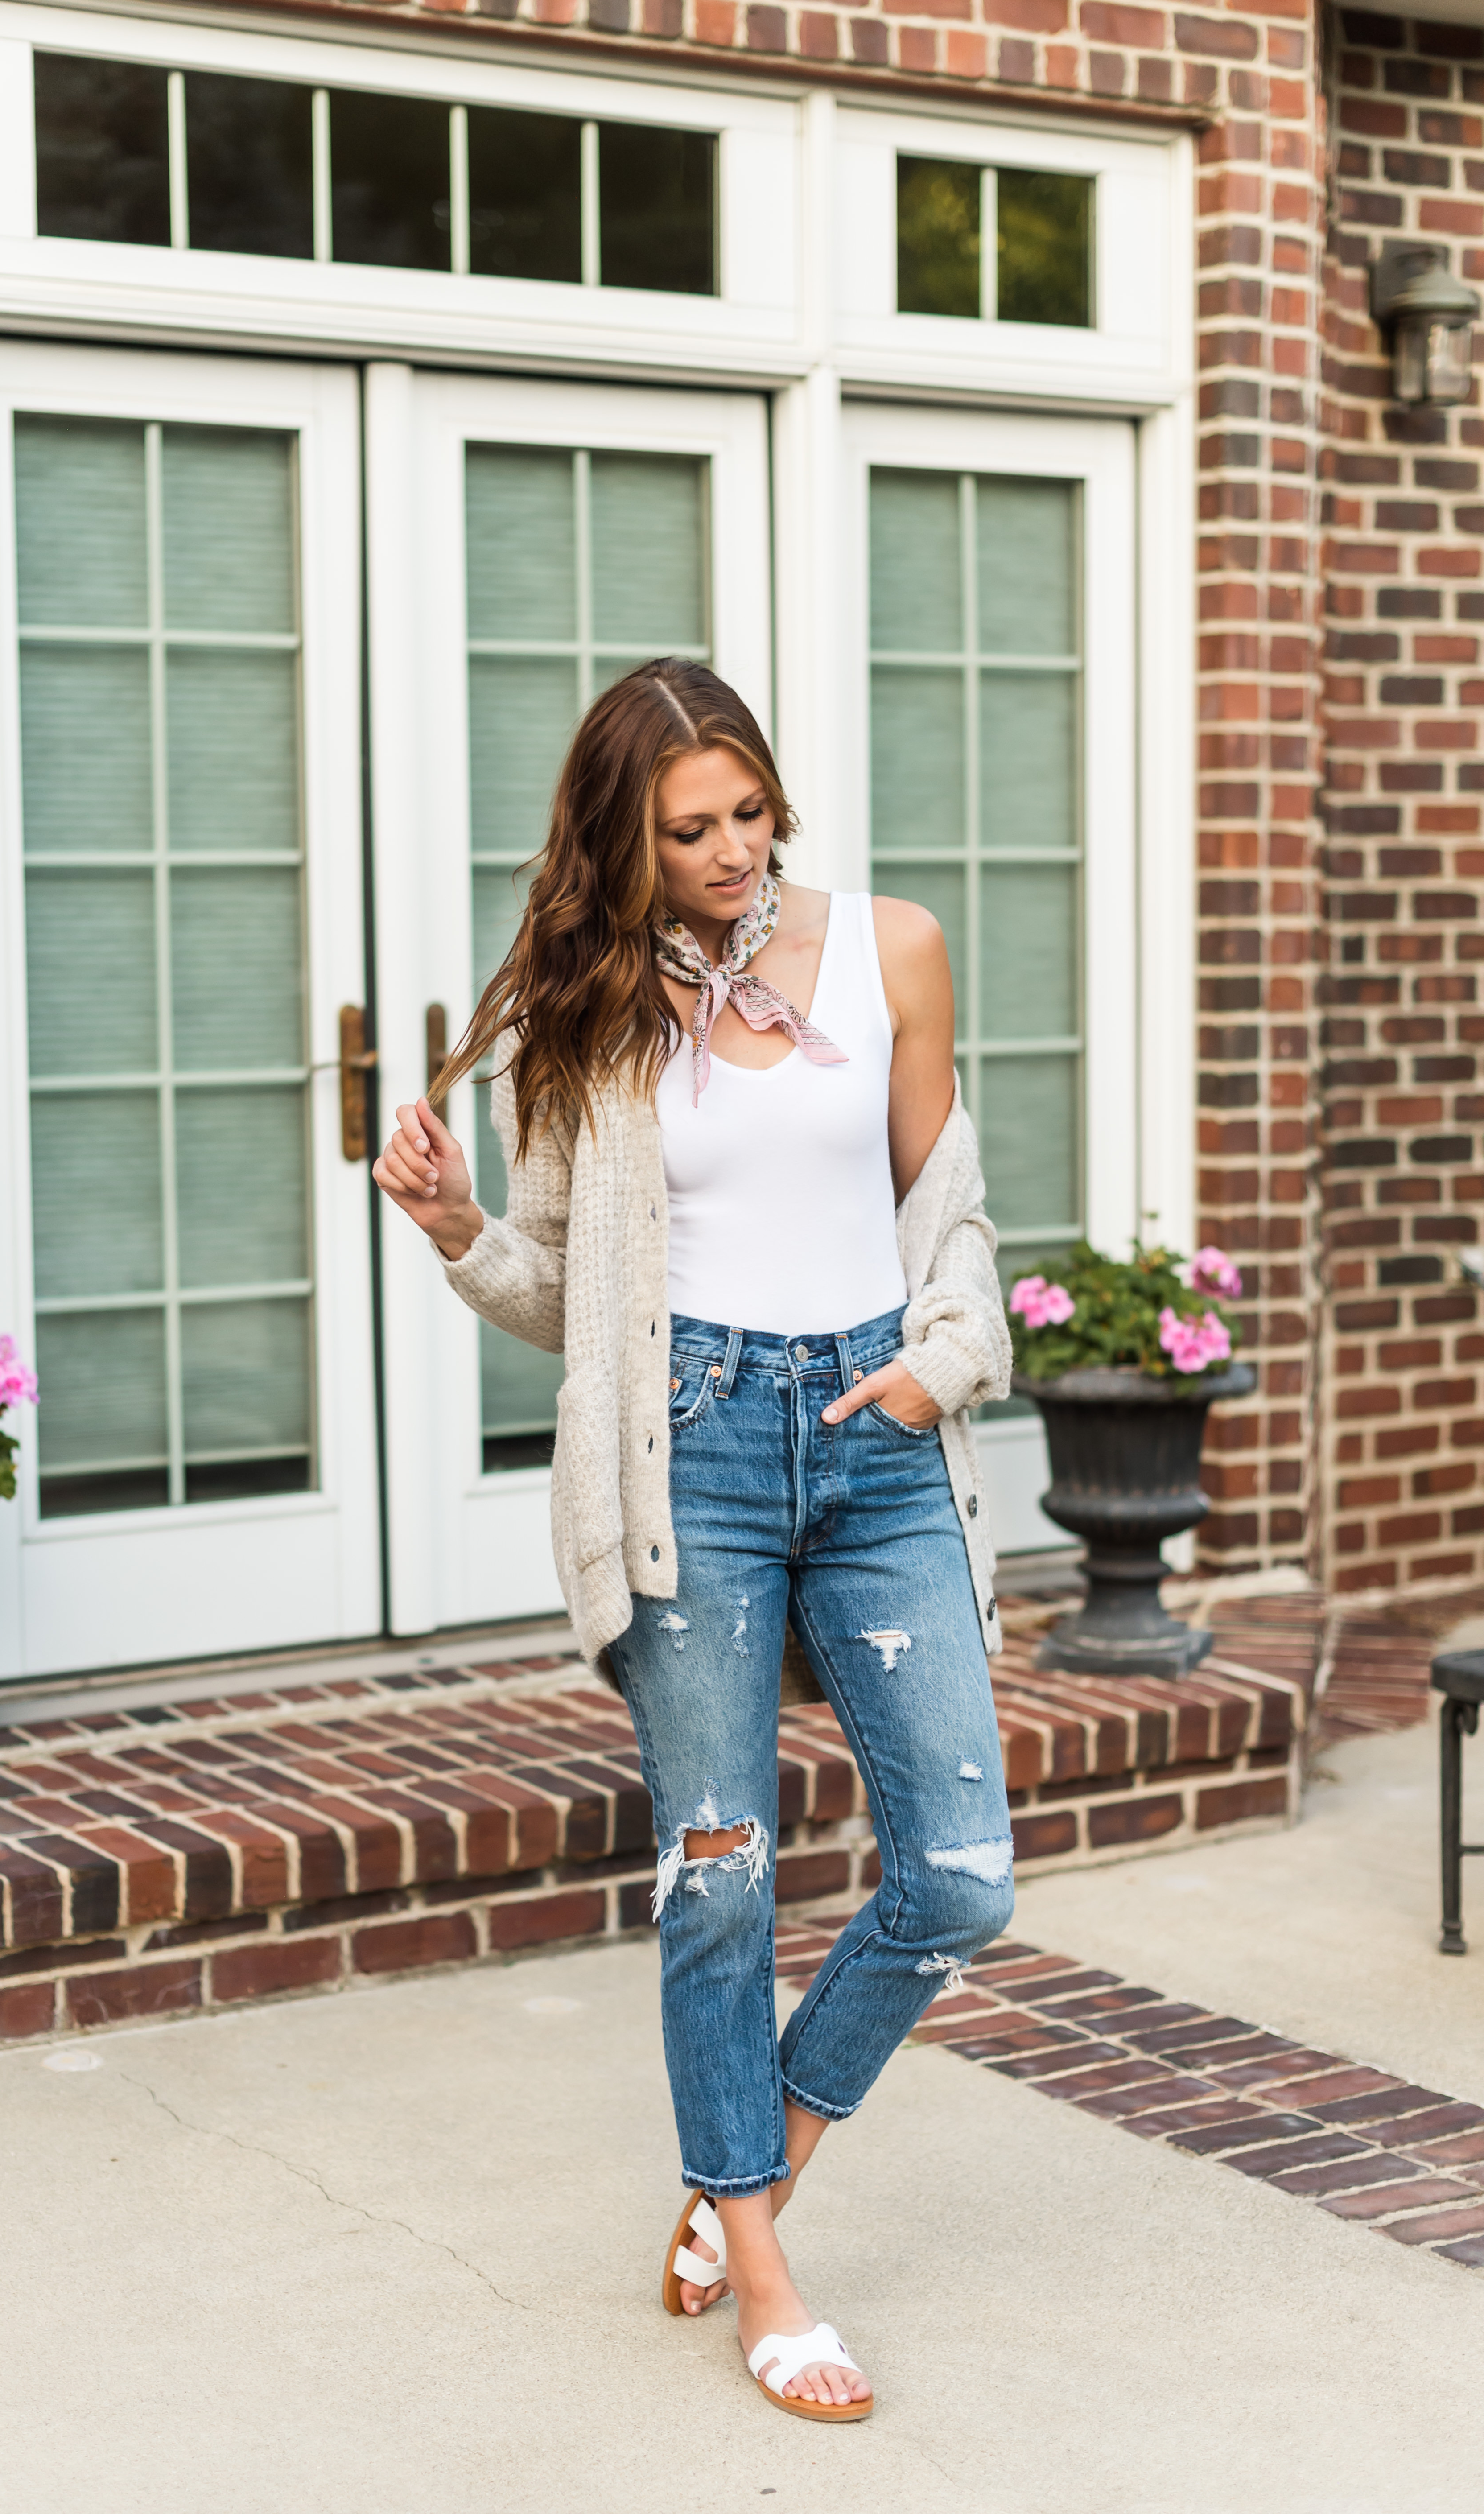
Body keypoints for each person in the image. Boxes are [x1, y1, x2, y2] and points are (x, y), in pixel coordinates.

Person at [372, 659, 1014, 2425]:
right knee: (720, 1870)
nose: (733, 851)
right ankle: (771, 2272)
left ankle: (752, 2165)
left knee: (961, 1872)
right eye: (689, 830)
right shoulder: (594, 1015)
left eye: (751, 813)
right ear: (623, 842)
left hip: (878, 1439)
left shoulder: (893, 949)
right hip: (693, 1456)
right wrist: (455, 1229)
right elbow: (574, 1296)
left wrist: (937, 1363)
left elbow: (952, 1222)